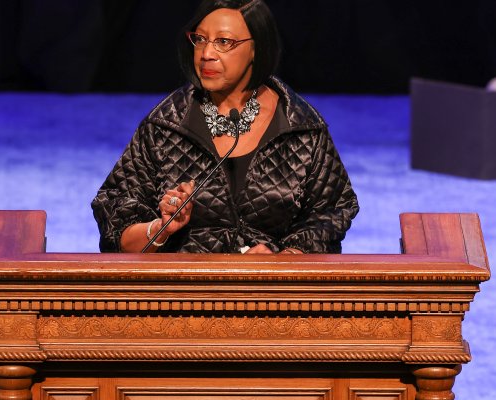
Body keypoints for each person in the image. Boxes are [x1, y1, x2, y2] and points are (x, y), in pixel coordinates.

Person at [91, 0, 358, 254]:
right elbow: (116, 221)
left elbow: (330, 214)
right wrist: (161, 228)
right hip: (185, 293)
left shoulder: (302, 127)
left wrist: (283, 259)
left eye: (224, 42)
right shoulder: (165, 125)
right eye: (200, 39)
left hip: (272, 294)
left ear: (257, 48)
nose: (207, 54)